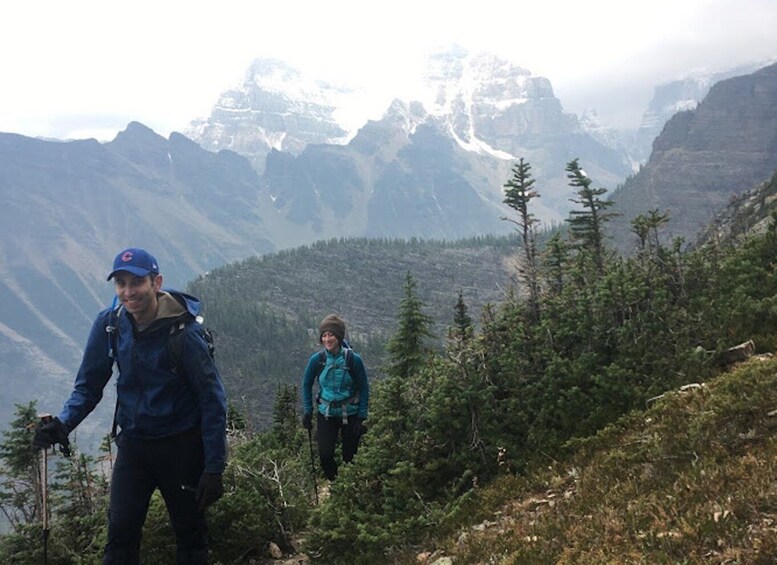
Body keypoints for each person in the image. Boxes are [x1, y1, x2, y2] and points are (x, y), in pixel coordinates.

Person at [33, 247, 228, 565]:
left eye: (136, 282)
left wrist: (214, 467)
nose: (128, 291)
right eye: (120, 283)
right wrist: (63, 423)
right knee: (120, 537)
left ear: (156, 282)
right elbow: (89, 385)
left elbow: (212, 401)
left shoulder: (185, 333)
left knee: (191, 538)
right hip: (134, 447)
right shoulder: (110, 325)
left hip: (181, 447)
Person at [301, 314, 369, 481]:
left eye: (331, 334)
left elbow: (364, 387)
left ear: (339, 336)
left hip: (351, 413)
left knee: (350, 457)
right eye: (324, 335)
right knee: (325, 455)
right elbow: (306, 384)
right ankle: (336, 484)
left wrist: (362, 416)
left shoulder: (353, 360)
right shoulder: (317, 360)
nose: (327, 339)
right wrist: (308, 411)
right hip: (326, 413)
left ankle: (349, 488)